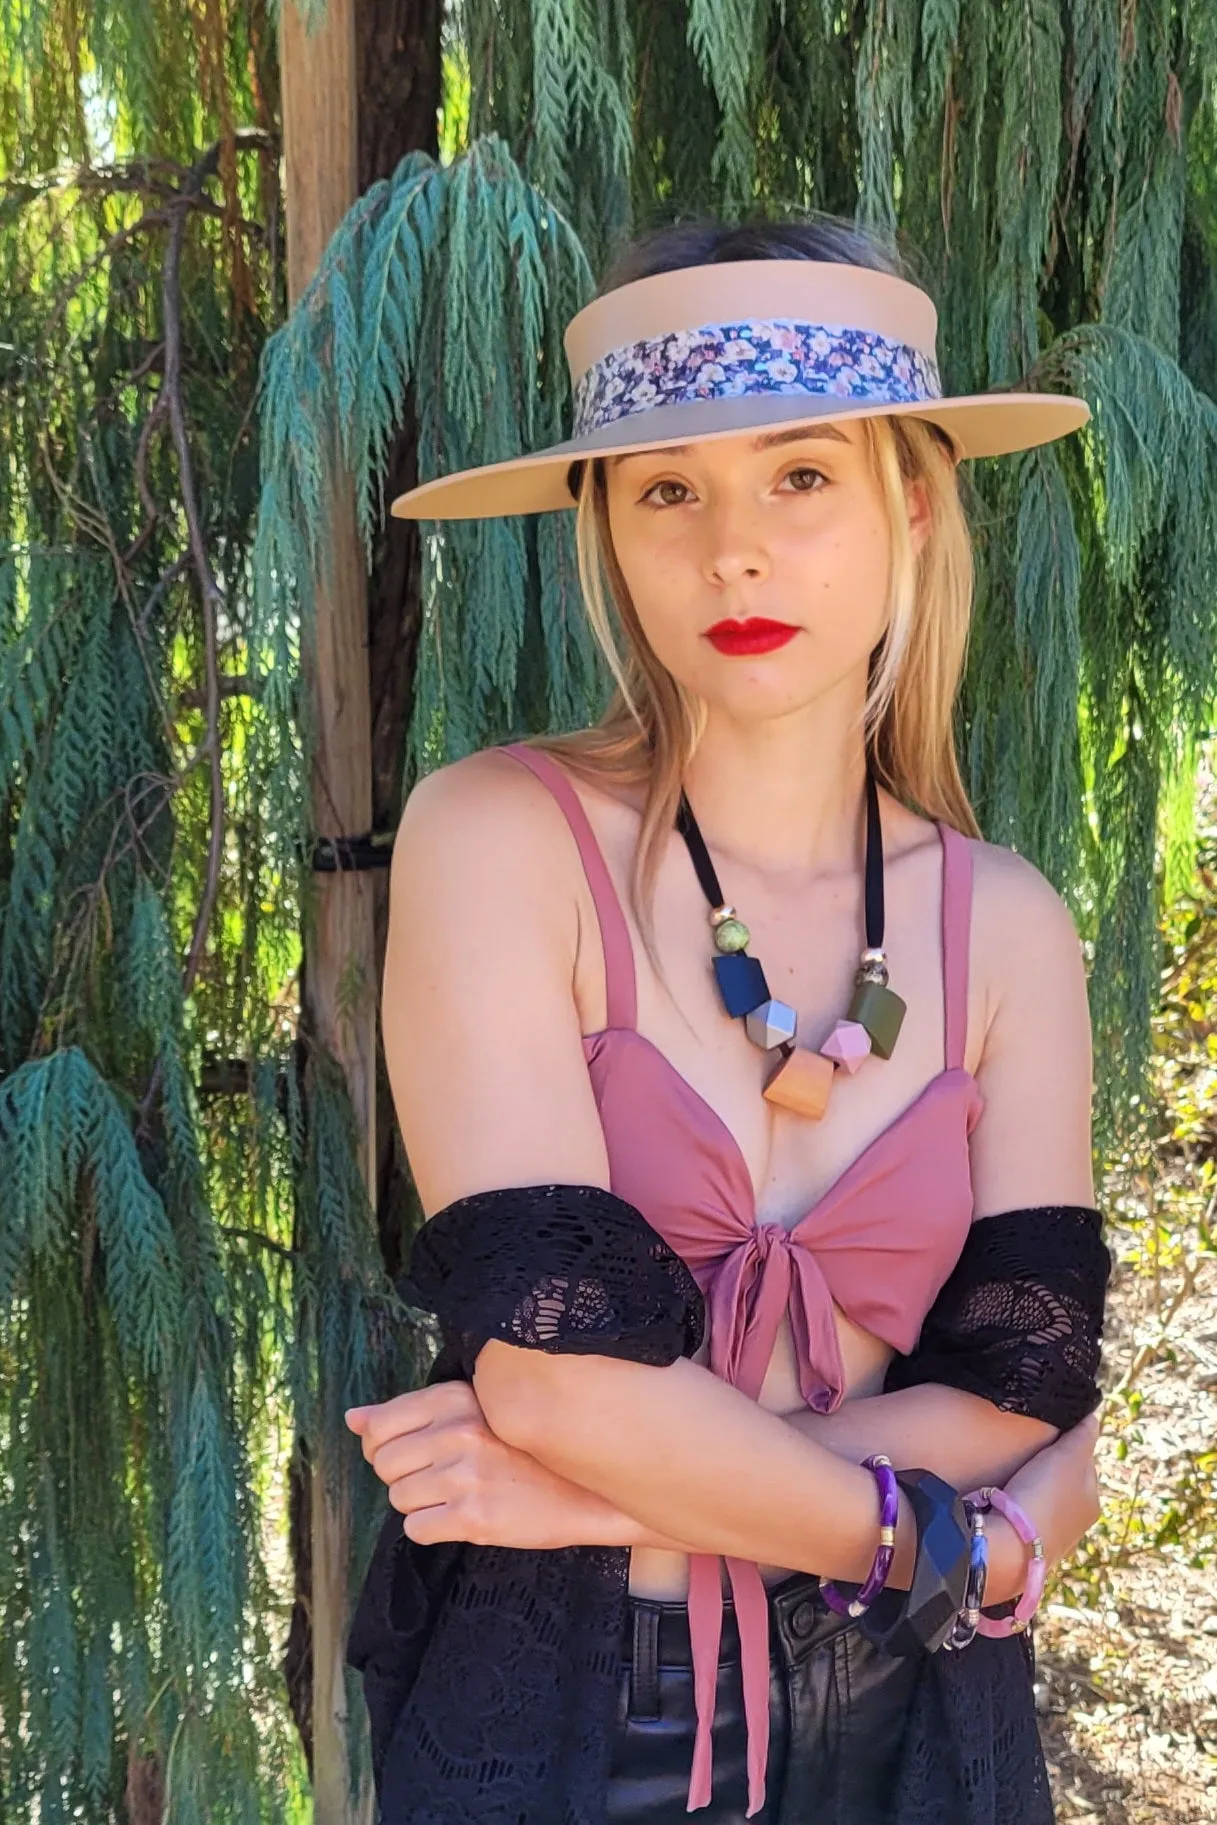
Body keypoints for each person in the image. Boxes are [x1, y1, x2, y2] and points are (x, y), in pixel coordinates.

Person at [341, 217, 1112, 1825]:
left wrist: (604, 1494)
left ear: (910, 501)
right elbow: (557, 1383)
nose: (734, 551)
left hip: (919, 1717)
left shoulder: (1012, 929)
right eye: (670, 487)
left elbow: (1030, 1398)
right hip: (563, 1713)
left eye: (803, 476)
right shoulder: (499, 841)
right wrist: (951, 1536)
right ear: (606, 528)